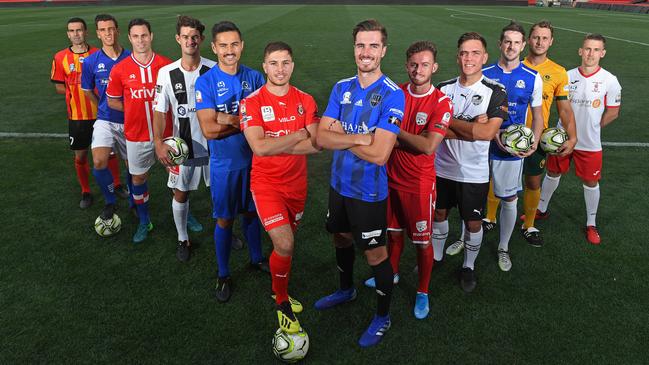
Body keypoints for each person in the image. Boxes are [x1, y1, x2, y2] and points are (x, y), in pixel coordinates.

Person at [314, 19, 404, 348]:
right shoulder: (342, 87)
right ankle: (346, 289)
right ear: (354, 48)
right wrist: (361, 137)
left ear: (383, 50)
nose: (365, 52)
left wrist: (342, 135)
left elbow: (380, 154)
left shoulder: (393, 95)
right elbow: (321, 137)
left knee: (375, 255)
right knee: (339, 237)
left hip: (368, 192)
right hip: (339, 185)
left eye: (372, 46)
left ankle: (383, 315)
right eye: (360, 45)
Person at [362, 40, 452, 319]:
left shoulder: (441, 102)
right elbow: (378, 132)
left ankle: (422, 291)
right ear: (406, 65)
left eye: (425, 64)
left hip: (419, 184)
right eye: (413, 64)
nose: (418, 69)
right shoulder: (396, 92)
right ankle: (394, 272)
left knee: (423, 242)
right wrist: (396, 136)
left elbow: (427, 146)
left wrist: (394, 130)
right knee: (393, 233)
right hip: (389, 177)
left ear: (434, 67)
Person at [449, 22, 544, 273]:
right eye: (507, 41)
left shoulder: (532, 78)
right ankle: (463, 237)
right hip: (479, 144)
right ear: (500, 44)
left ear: (523, 46)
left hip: (511, 150)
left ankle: (503, 246)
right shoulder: (484, 72)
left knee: (509, 198)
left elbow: (538, 117)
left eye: (516, 42)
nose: (511, 46)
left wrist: (533, 142)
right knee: (467, 195)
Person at [240, 41, 320, 334]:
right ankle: (281, 299)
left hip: (296, 185)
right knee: (284, 243)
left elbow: (316, 144)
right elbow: (259, 148)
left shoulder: (305, 100)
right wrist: (297, 134)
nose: (280, 69)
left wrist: (282, 143)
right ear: (264, 67)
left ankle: (278, 289)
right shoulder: (252, 103)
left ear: (292, 65)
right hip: (266, 185)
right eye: (274, 63)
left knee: (287, 245)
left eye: (285, 62)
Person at [195, 21, 267, 303]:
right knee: (225, 219)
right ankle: (223, 273)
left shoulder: (255, 78)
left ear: (242, 46)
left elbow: (266, 116)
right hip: (225, 166)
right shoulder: (206, 82)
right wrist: (243, 122)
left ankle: (256, 258)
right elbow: (209, 130)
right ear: (213, 47)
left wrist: (227, 118)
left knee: (251, 214)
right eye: (223, 45)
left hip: (255, 161)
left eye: (234, 44)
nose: (229, 50)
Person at [490, 20, 577, 248]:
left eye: (545, 38)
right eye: (536, 37)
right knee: (496, 176)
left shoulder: (558, 72)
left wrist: (573, 136)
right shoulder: (513, 64)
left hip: (535, 138)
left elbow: (565, 109)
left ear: (551, 41)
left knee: (532, 181)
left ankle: (528, 224)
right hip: (505, 137)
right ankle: (489, 217)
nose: (539, 42)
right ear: (527, 41)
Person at [432, 32, 507, 293]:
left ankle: (469, 266)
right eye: (464, 52)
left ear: (485, 57)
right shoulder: (442, 88)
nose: (469, 58)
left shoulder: (495, 92)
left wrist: (447, 121)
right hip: (441, 168)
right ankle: (437, 258)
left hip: (473, 173)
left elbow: (486, 134)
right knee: (439, 213)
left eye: (475, 53)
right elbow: (432, 130)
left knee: (473, 223)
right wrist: (471, 126)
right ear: (457, 56)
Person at [537, 34, 621, 245]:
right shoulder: (566, 75)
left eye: (595, 50)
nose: (591, 54)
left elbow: (613, 112)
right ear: (580, 51)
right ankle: (541, 209)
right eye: (587, 49)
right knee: (553, 172)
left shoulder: (610, 81)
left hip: (590, 143)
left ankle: (591, 223)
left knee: (591, 181)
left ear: (602, 53)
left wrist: (594, 127)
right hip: (561, 139)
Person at [153, 16, 216, 261]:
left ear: (201, 39)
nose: (190, 41)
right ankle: (182, 238)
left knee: (219, 193)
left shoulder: (214, 69)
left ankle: (225, 230)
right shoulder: (166, 73)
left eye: (195, 36)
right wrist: (159, 142)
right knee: (181, 193)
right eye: (185, 36)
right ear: (178, 39)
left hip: (215, 146)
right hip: (183, 147)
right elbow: (159, 111)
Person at [106, 18, 172, 243]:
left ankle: (186, 214)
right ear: (130, 38)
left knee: (177, 176)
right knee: (138, 179)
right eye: (136, 36)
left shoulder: (167, 65)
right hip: (136, 135)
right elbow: (113, 101)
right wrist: (135, 107)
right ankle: (145, 220)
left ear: (151, 36)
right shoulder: (120, 69)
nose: (141, 40)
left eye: (144, 35)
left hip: (166, 134)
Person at [81, 14, 133, 222]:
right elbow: (87, 90)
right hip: (104, 119)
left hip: (129, 120)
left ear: (117, 30)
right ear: (98, 33)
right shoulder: (91, 61)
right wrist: (102, 107)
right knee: (100, 161)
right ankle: (110, 201)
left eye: (111, 29)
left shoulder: (131, 57)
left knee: (133, 167)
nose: (108, 33)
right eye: (103, 30)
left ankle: (134, 202)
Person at [51, 17, 99, 209]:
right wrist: (77, 89)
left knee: (110, 153)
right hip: (77, 116)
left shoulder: (98, 54)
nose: (76, 34)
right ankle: (86, 191)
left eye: (79, 30)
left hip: (101, 114)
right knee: (81, 156)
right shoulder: (60, 57)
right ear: (68, 34)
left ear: (85, 32)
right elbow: (59, 87)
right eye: (72, 31)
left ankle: (117, 184)